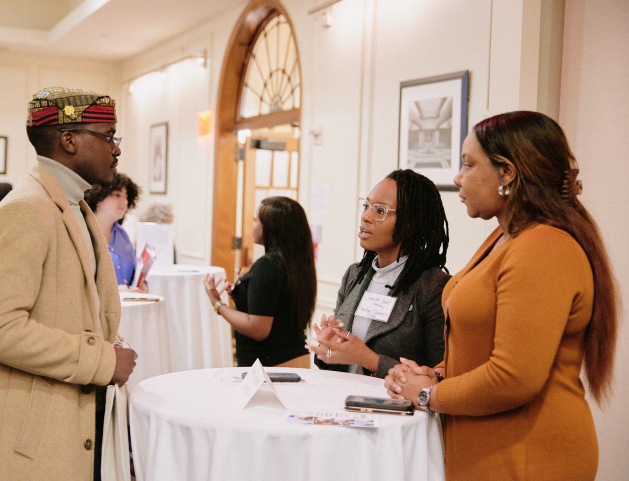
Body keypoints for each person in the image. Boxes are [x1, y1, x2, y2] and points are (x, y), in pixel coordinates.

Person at [384, 111, 618, 481]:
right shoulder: (506, 236)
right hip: (490, 446)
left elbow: (514, 377)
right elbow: (486, 344)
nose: (458, 178)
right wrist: (438, 375)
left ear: (507, 173)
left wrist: (429, 395)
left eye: (467, 164)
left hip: (529, 456)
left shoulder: (543, 247)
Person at [0, 87, 137, 481]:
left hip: (65, 422)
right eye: (108, 137)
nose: (116, 150)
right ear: (69, 140)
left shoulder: (73, 206)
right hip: (29, 444)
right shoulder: (25, 211)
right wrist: (103, 360)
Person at [307, 170, 450, 379]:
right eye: (366, 206)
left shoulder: (433, 286)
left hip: (396, 408)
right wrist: (327, 347)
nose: (366, 217)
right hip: (344, 401)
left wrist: (370, 360)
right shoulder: (354, 275)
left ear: (409, 225)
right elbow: (337, 362)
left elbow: (440, 377)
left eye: (380, 211)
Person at [204, 196, 317, 367]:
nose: (253, 224)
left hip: (272, 366)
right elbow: (276, 307)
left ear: (271, 227)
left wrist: (218, 304)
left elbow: (257, 329)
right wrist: (242, 293)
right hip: (294, 359)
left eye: (256, 220)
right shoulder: (296, 261)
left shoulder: (268, 265)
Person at [84, 172, 145, 290]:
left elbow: (133, 274)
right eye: (117, 195)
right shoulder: (84, 233)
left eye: (126, 196)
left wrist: (142, 284)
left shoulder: (122, 235)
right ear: (98, 198)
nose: (124, 201)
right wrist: (117, 290)